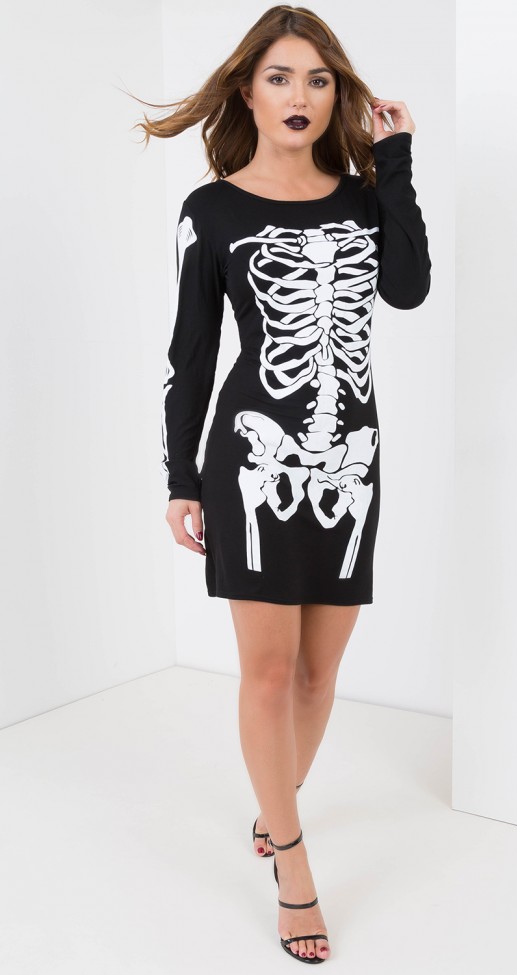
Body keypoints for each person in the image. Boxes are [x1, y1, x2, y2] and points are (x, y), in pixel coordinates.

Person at [131, 4, 431, 964]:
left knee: (318, 671)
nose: (300, 95)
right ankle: (292, 864)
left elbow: (408, 287)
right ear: (247, 91)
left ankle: (276, 803)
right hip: (250, 459)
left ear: (337, 94)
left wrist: (397, 164)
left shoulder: (363, 199)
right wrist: (181, 478)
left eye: (318, 79)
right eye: (279, 77)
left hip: (355, 455)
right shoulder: (212, 210)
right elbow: (191, 353)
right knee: (267, 670)